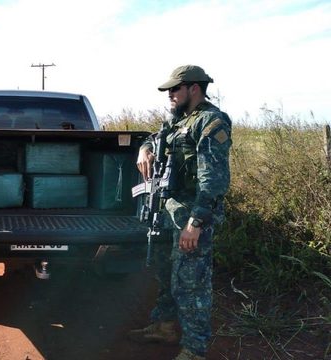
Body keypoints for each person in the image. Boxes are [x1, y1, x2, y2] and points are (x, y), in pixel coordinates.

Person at [128, 65, 232, 360]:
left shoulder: (211, 122)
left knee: (191, 284)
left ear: (194, 88)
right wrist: (144, 149)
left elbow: (214, 180)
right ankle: (163, 327)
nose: (170, 95)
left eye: (175, 89)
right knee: (164, 273)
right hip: (166, 213)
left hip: (190, 218)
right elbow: (155, 137)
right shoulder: (178, 120)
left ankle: (194, 349)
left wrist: (196, 222)